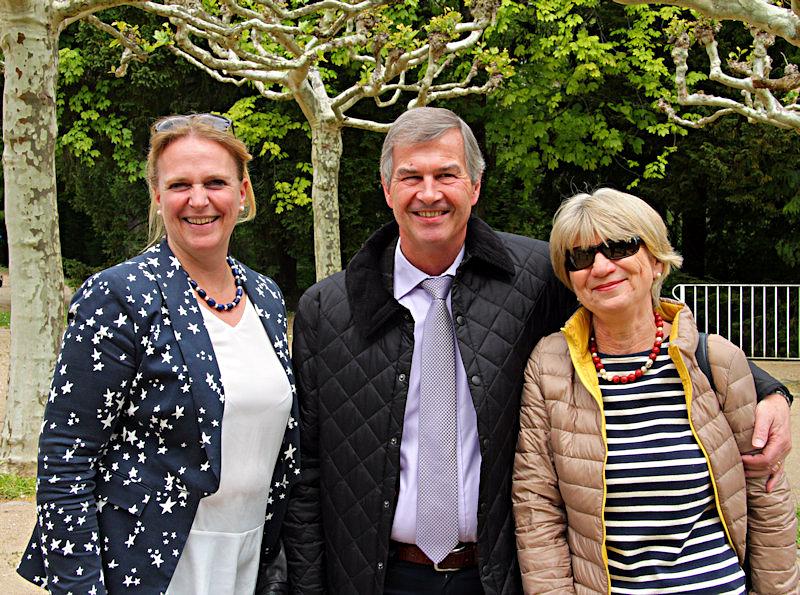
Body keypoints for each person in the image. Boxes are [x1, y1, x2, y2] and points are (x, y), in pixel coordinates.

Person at [283, 107, 793, 594]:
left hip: (501, 575)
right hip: (377, 576)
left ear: (476, 186)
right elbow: (307, 473)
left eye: (447, 175)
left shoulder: (532, 278)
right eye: (411, 176)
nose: (429, 193)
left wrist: (765, 389)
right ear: (387, 189)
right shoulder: (327, 310)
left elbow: (630, 317)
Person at [17, 114, 300, 595]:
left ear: (242, 192)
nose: (198, 199)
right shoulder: (120, 295)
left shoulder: (265, 296)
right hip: (153, 566)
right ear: (157, 196)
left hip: (249, 558)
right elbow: (66, 459)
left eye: (215, 182)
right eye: (179, 185)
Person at [513, 188, 799, 593]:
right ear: (570, 279)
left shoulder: (716, 361)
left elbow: (766, 497)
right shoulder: (551, 367)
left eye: (620, 247)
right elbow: (537, 508)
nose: (601, 266)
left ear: (656, 259)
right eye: (581, 257)